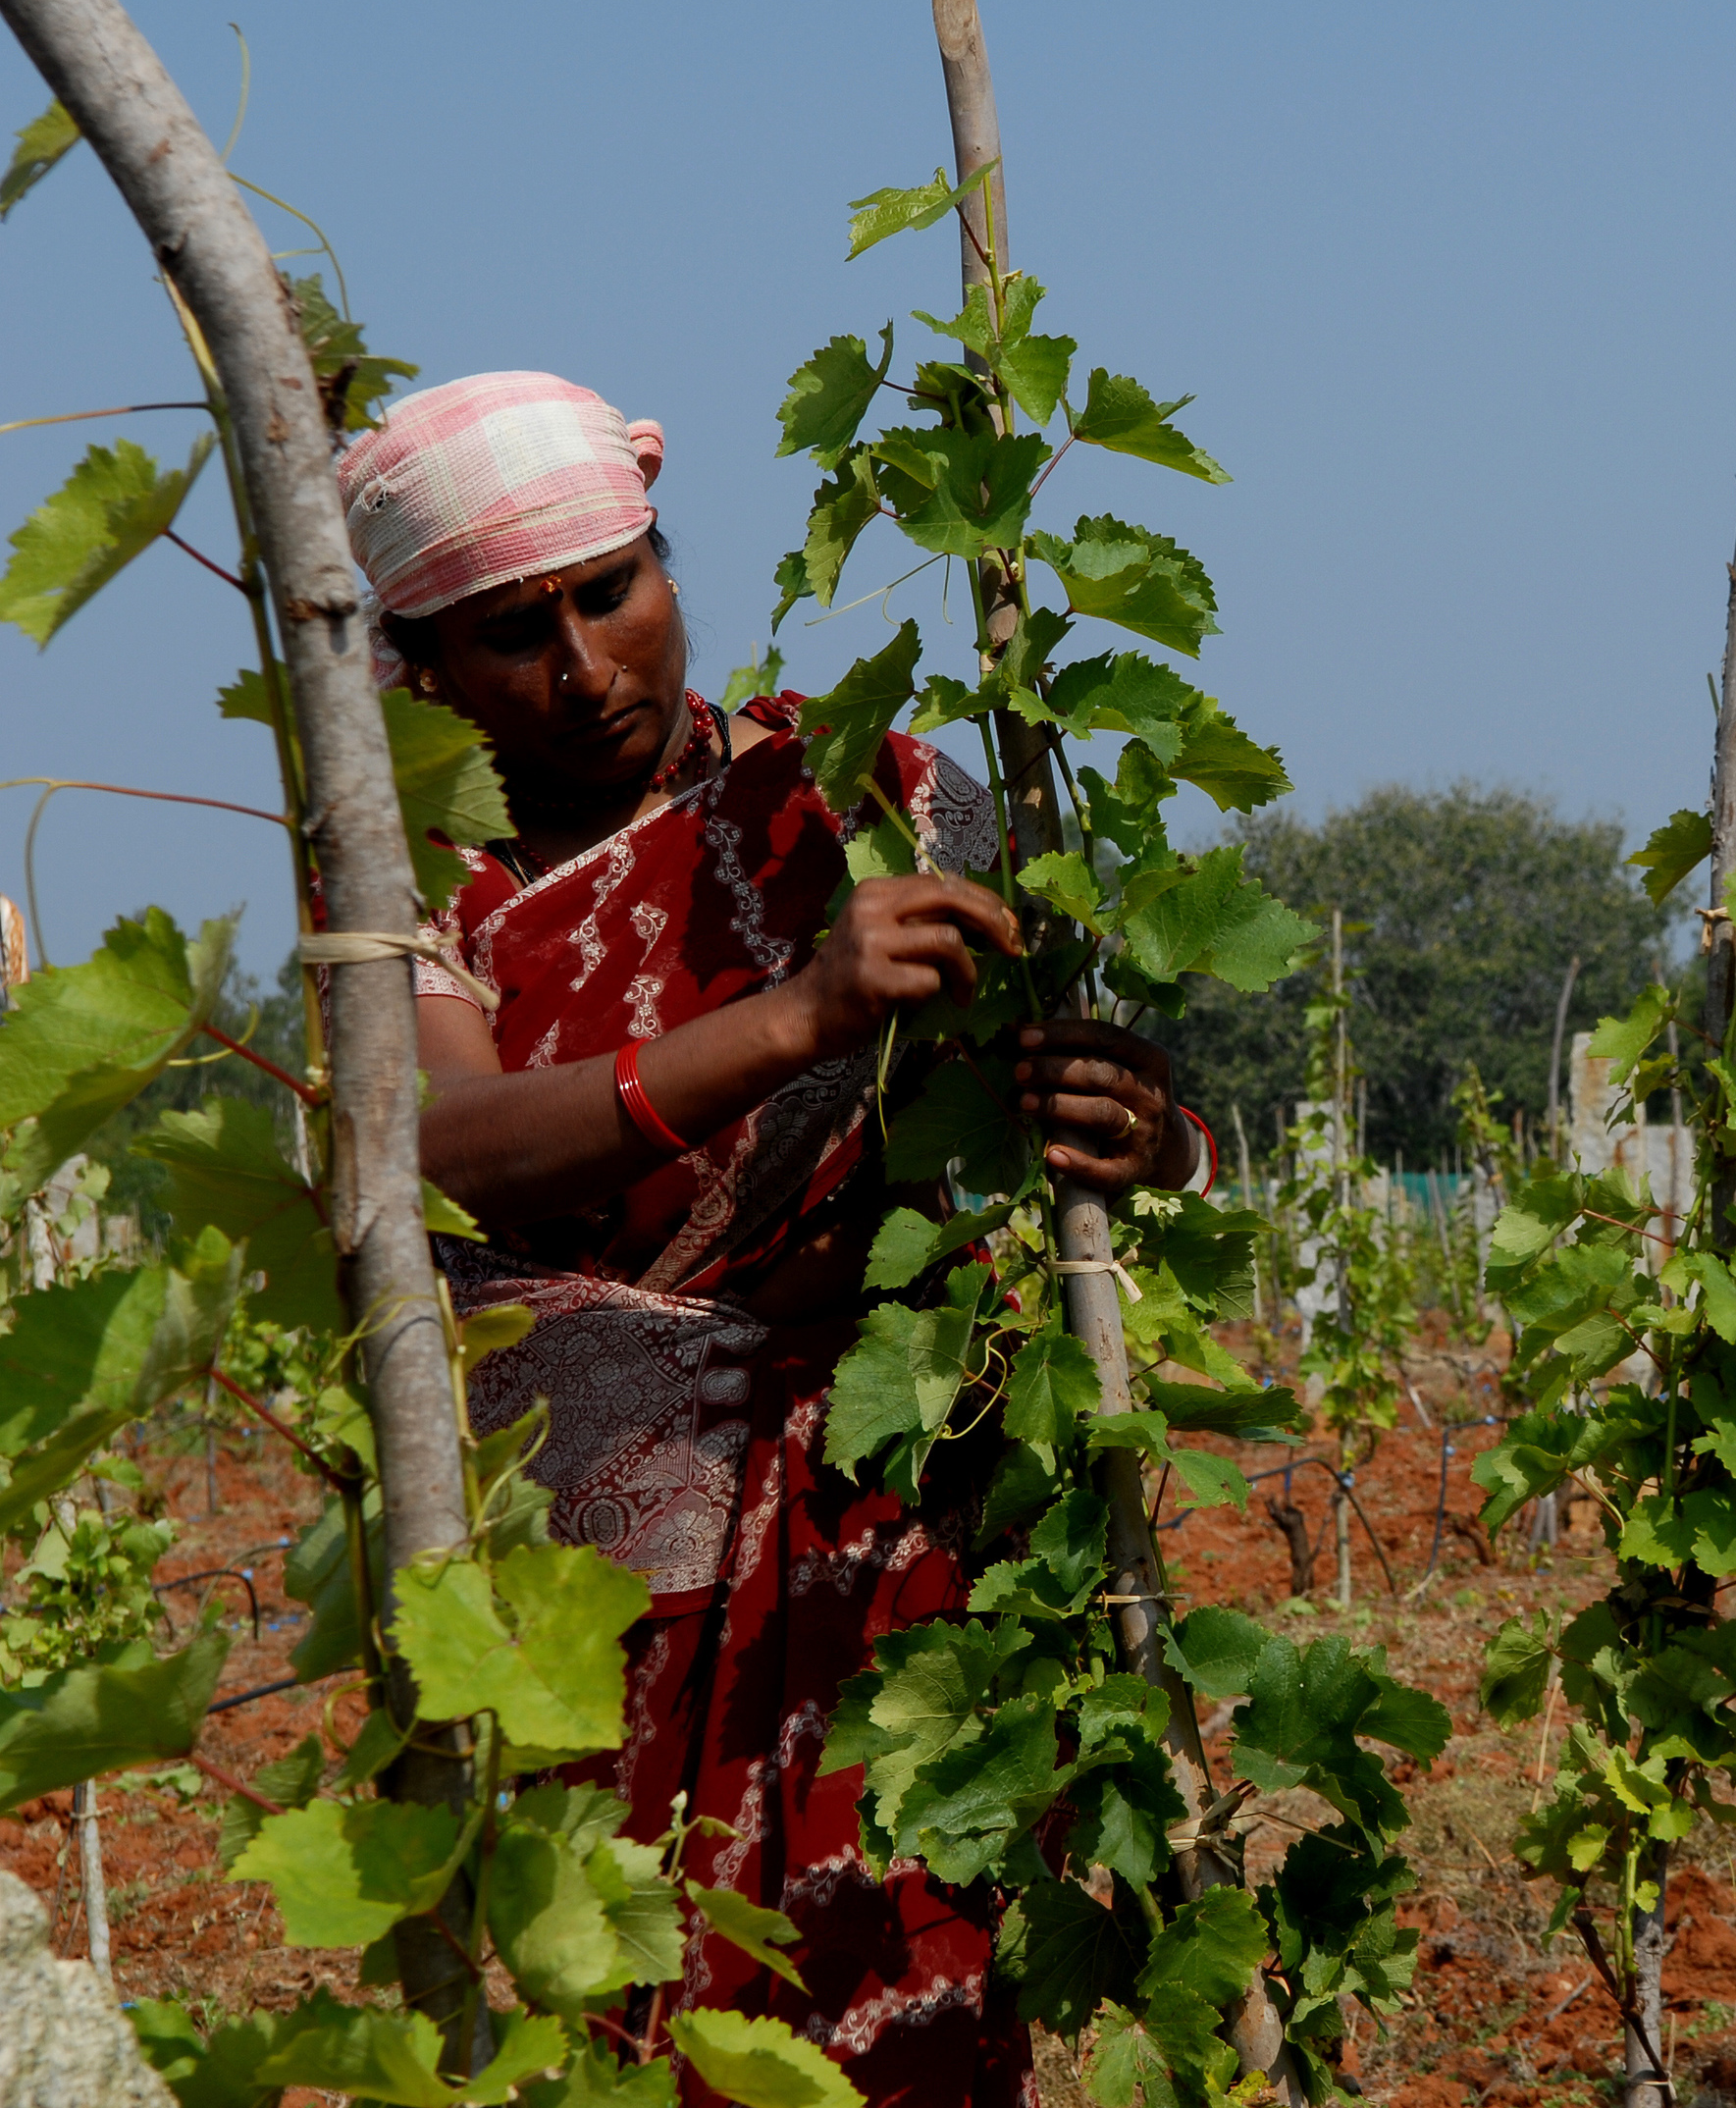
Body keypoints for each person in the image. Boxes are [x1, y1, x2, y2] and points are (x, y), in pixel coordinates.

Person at [342, 372, 1199, 2103]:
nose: (586, 667)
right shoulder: (399, 874)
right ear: (416, 668)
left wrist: (1142, 1129)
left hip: (899, 1507)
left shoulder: (862, 793)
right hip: (593, 1559)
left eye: (611, 591)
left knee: (911, 1988)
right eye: (514, 633)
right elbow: (443, 1146)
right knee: (631, 2009)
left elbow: (1072, 1099)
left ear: (667, 563)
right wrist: (797, 1018)